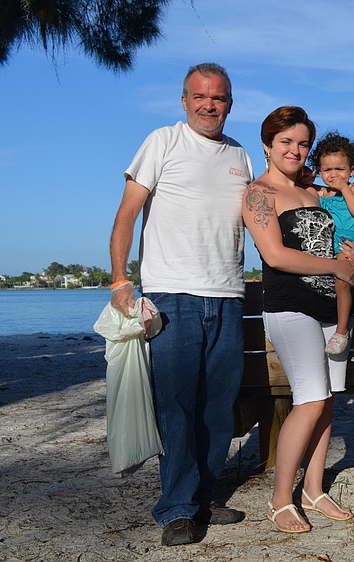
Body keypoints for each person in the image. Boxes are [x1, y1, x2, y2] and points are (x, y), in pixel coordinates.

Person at [109, 62, 252, 547]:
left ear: (230, 103)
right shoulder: (162, 141)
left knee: (217, 406)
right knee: (175, 406)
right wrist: (119, 280)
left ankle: (206, 494)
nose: (209, 105)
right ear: (184, 100)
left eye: (219, 98)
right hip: (172, 295)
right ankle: (175, 508)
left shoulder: (241, 155)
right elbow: (127, 214)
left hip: (228, 295)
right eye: (200, 96)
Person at [242, 106, 354, 534]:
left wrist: (352, 257)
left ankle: (313, 488)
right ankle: (279, 499)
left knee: (328, 399)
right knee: (309, 399)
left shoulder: (313, 189)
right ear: (268, 146)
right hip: (289, 308)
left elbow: (340, 238)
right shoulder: (259, 194)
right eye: (286, 142)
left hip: (332, 309)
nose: (295, 150)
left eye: (303, 142)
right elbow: (274, 255)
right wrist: (333, 267)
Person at [307, 131, 354, 355]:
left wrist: (343, 188)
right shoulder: (323, 192)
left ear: (352, 170)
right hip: (326, 245)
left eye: (340, 169)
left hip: (347, 243)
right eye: (327, 170)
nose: (334, 175)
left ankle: (342, 331)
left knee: (342, 282)